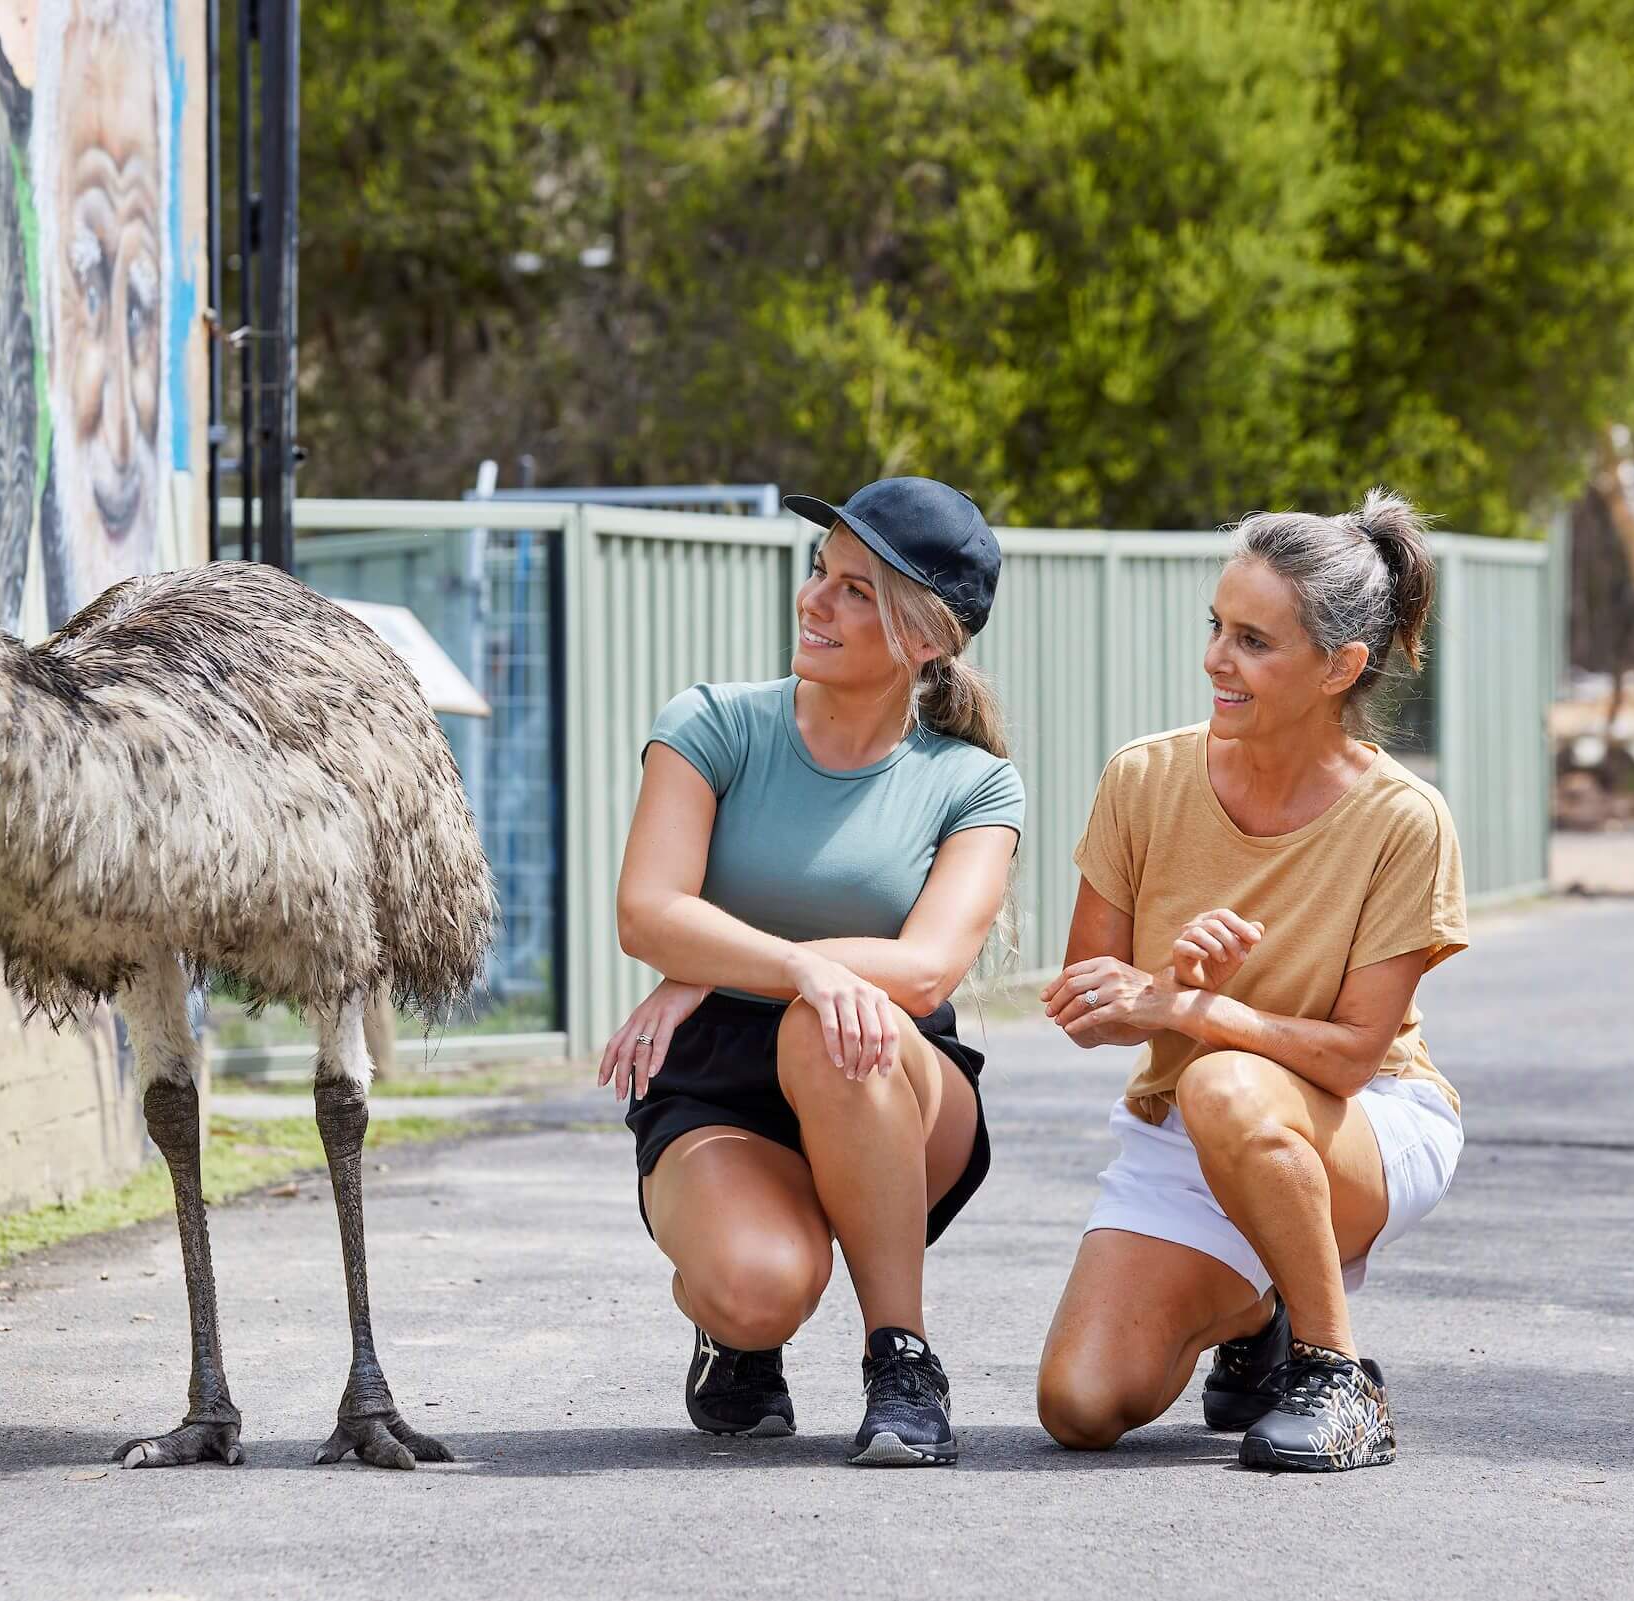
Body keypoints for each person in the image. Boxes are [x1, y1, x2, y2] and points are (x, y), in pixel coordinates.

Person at [1034, 489, 1467, 1473]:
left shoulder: (1403, 818)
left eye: (1253, 641)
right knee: (1081, 1401)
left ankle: (1336, 1374)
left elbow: (1357, 1054)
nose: (1215, 661)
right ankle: (1264, 1294)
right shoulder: (1143, 779)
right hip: (1191, 1130)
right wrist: (1164, 973)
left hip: (1366, 1122)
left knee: (1219, 1078)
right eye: (1217, 628)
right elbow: (1083, 1007)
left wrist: (1196, 1008)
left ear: (1340, 667)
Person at [600, 477, 1023, 1467]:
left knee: (833, 1022)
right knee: (756, 1288)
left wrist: (713, 962)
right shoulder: (712, 724)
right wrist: (785, 960)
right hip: (718, 1084)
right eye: (818, 573)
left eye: (855, 591)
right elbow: (646, 911)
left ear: (926, 635)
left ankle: (903, 1358)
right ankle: (736, 1336)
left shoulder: (971, 781)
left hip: (894, 1084)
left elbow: (922, 970)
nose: (814, 600)